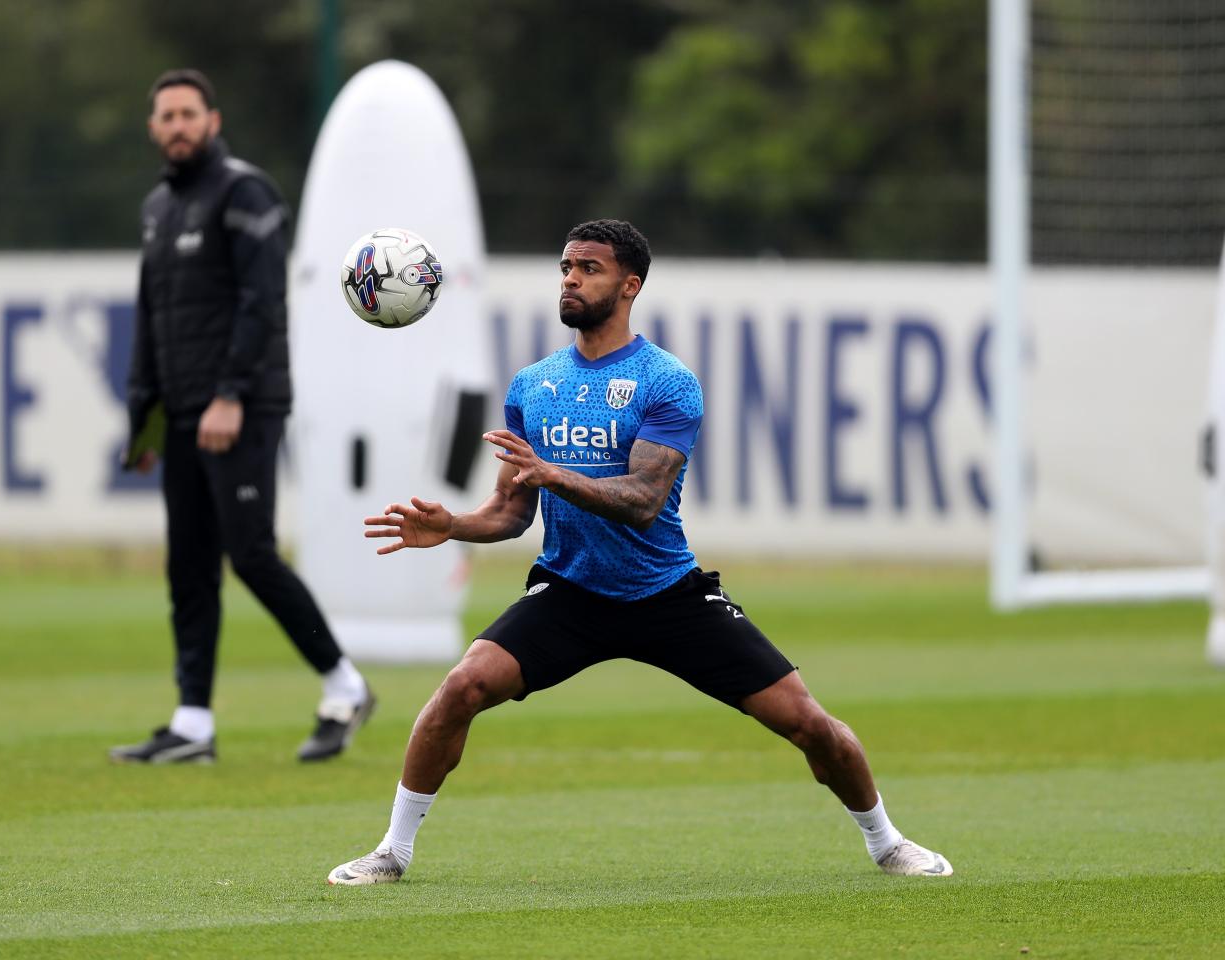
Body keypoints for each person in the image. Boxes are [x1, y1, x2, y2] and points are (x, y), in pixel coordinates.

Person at [326, 219, 952, 884]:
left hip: (667, 595)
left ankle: (888, 843)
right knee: (461, 688)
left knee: (808, 724)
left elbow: (644, 498)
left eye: (588, 268)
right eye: (566, 266)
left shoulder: (666, 381)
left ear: (630, 285)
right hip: (570, 592)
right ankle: (392, 852)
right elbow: (513, 512)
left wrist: (556, 474)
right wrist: (453, 524)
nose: (570, 278)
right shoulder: (532, 386)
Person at [111, 69, 373, 764]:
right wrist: (143, 420)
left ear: (213, 120)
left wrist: (230, 394)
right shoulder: (158, 209)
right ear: (153, 127)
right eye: (165, 116)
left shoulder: (243, 193)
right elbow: (151, 318)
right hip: (185, 412)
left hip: (242, 406)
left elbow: (262, 303)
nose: (177, 126)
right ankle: (192, 723)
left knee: (250, 553)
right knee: (188, 565)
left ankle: (345, 687)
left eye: (188, 114)